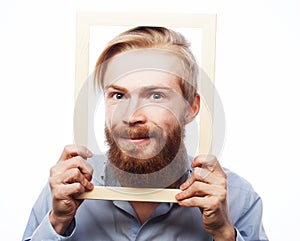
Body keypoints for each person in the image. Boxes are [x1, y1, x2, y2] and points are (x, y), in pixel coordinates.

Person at [22, 26, 268, 241]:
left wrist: (225, 235)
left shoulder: (237, 200)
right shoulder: (65, 189)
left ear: (191, 108)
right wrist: (56, 222)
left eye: (156, 96)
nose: (132, 116)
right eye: (118, 95)